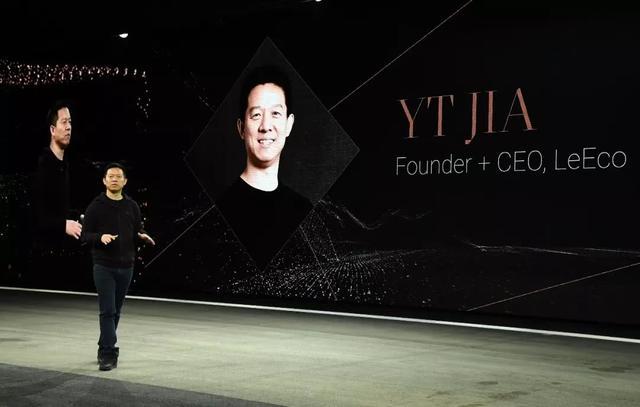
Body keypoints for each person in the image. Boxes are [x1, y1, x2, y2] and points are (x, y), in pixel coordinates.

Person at [217, 65, 312, 269]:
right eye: (256, 115)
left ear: (289, 124)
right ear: (241, 128)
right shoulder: (220, 207)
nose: (266, 126)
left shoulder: (304, 210)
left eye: (276, 113)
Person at [81, 162, 155, 371]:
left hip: (126, 266)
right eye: (110, 176)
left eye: (118, 176)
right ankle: (108, 353)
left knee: (116, 311)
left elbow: (137, 230)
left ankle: (104, 344)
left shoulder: (132, 206)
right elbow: (85, 235)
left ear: (125, 181)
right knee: (107, 310)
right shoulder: (96, 206)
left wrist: (142, 236)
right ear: (104, 181)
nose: (114, 179)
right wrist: (99, 237)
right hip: (103, 266)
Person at [33, 100, 82, 246]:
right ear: (53, 130)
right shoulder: (42, 166)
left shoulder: (65, 164)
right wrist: (63, 225)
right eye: (64, 122)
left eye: (70, 122)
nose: (69, 127)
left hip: (63, 246)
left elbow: (60, 210)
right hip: (46, 250)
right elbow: (36, 218)